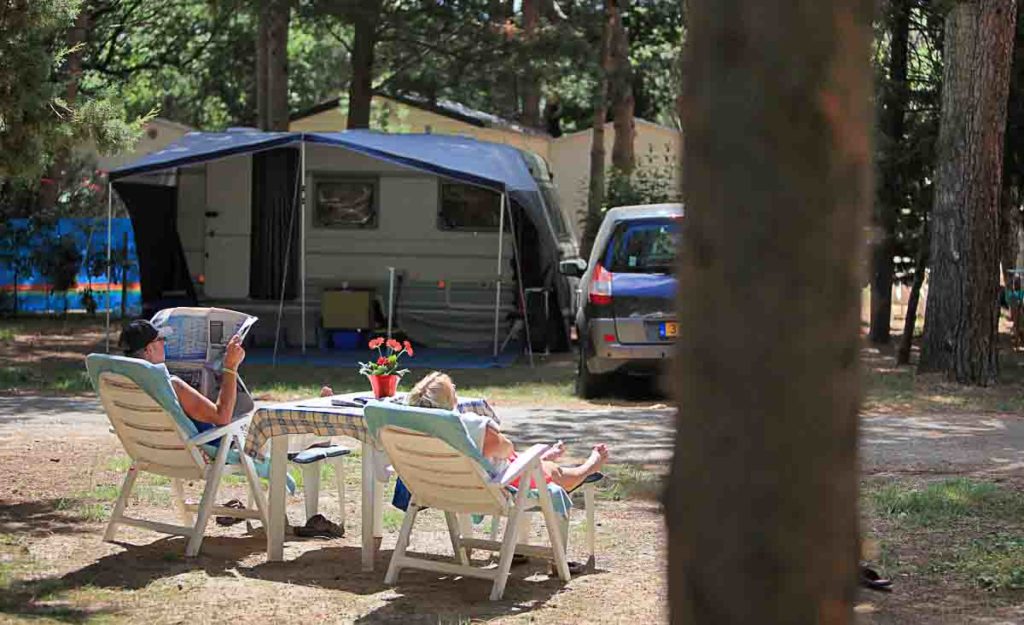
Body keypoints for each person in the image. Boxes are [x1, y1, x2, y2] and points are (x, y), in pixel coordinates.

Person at [406, 371, 609, 492]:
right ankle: (587, 468)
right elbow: (506, 449)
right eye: (453, 389)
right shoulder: (470, 425)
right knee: (556, 472)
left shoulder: (412, 428)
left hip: (442, 488)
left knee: (505, 456)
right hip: (492, 486)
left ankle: (539, 459)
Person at [119, 319, 245, 429]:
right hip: (204, 445)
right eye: (160, 339)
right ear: (149, 350)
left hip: (153, 445)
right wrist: (230, 366)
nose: (164, 342)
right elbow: (222, 417)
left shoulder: (124, 384)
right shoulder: (171, 386)